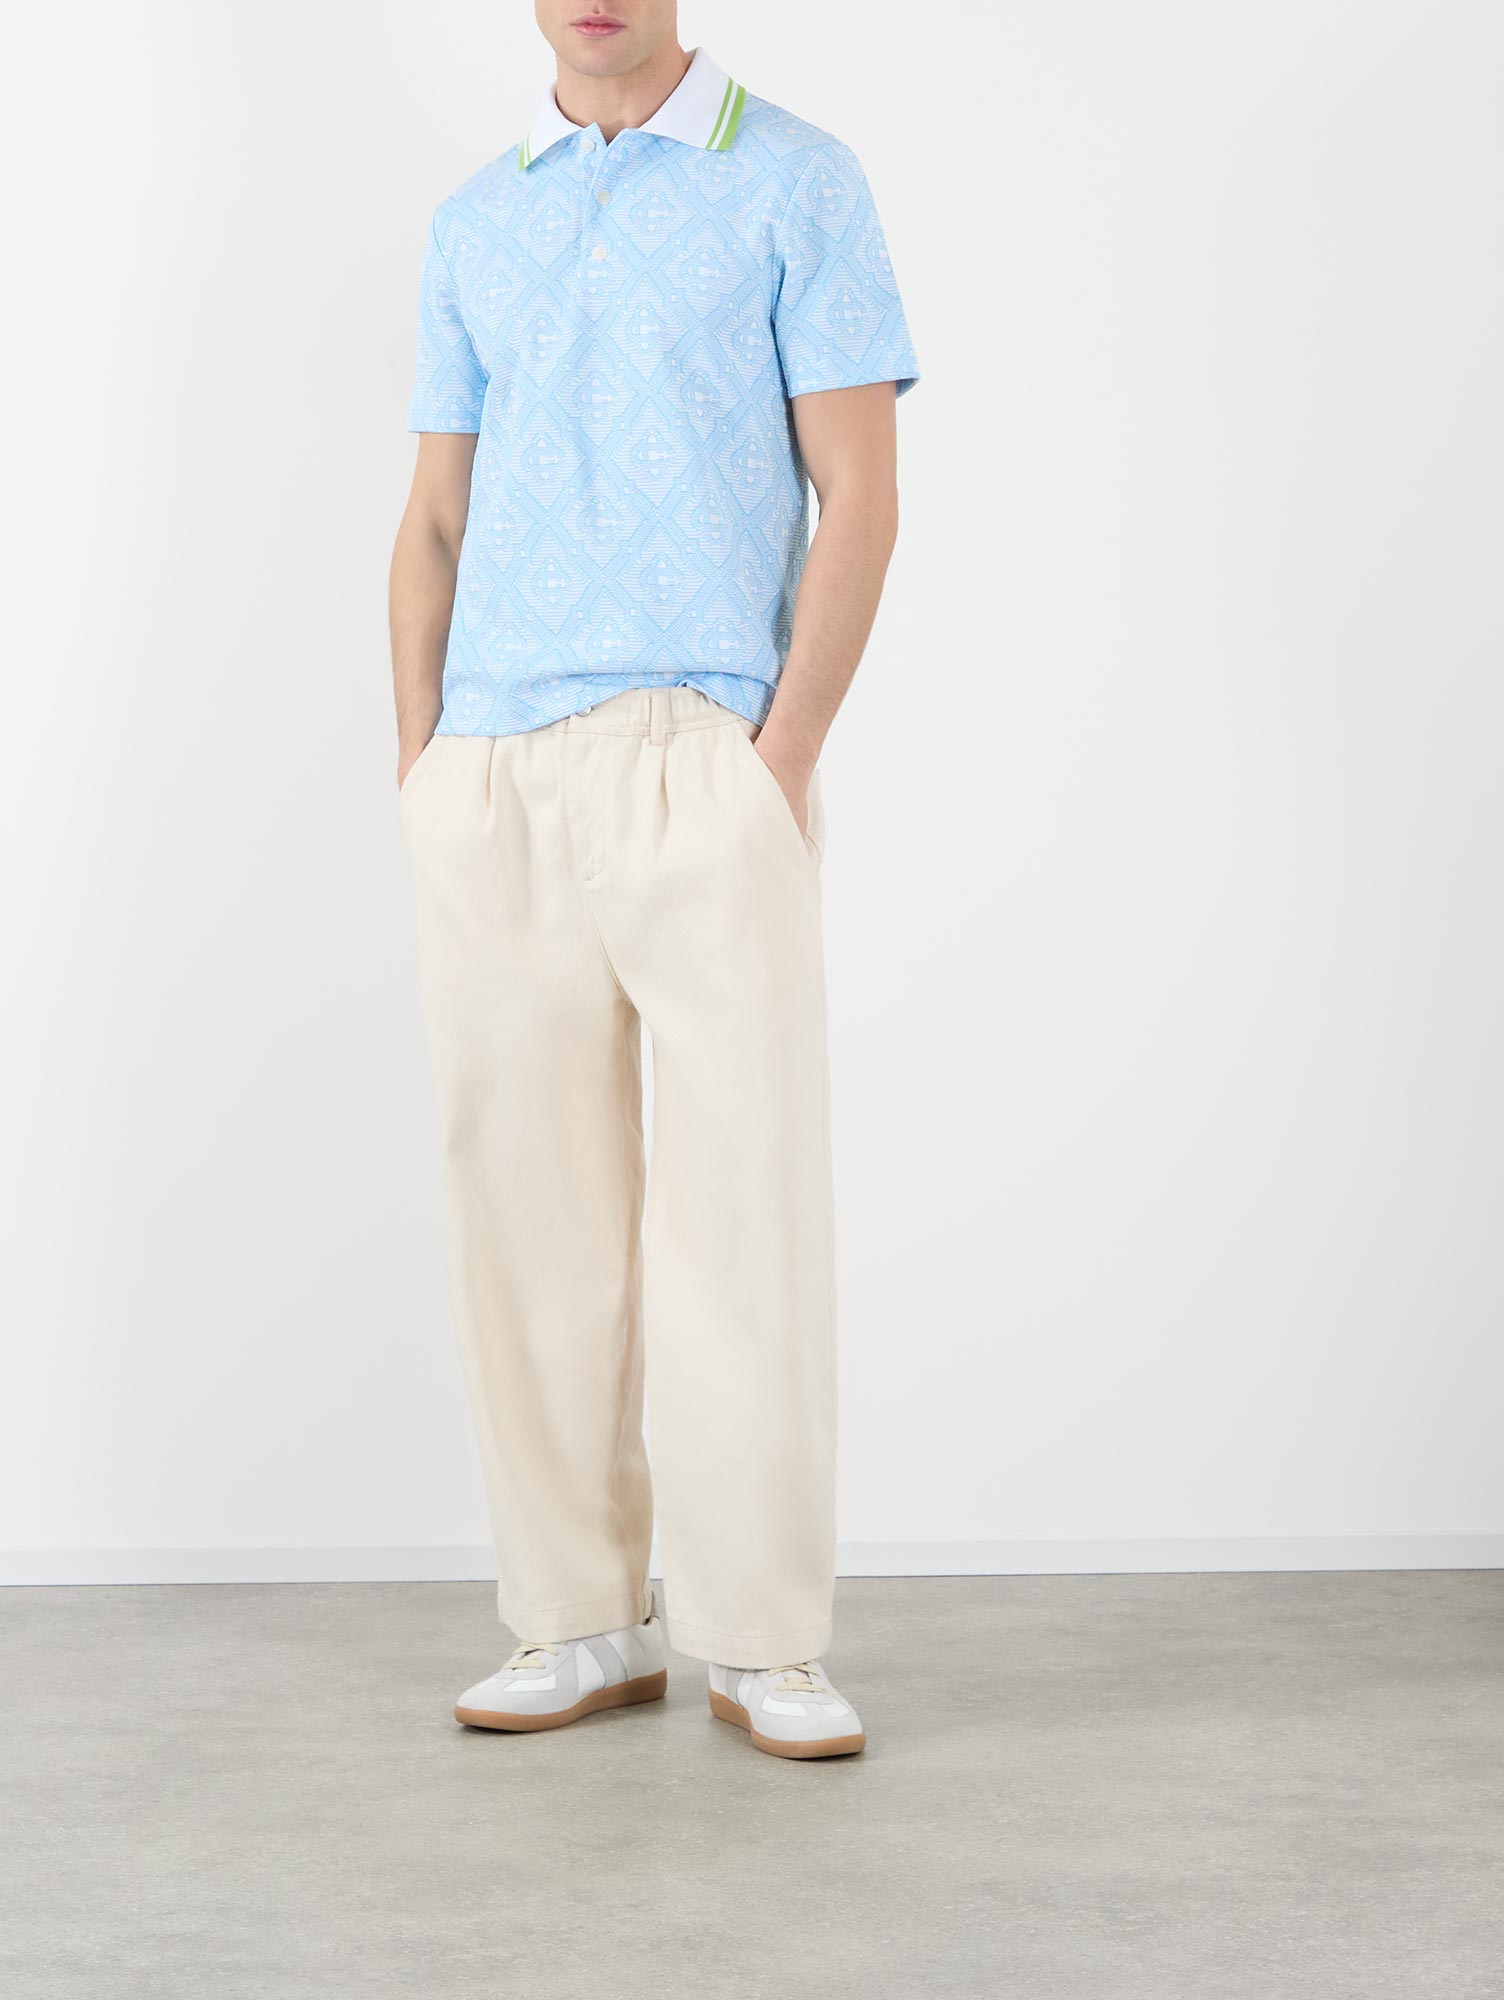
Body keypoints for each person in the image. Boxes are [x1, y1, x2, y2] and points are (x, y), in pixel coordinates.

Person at [388, 0, 916, 1758]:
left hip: (708, 749)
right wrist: (426, 765)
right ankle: (576, 1621)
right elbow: (435, 519)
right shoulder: (478, 218)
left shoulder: (798, 181)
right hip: (496, 770)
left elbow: (860, 496)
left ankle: (763, 1639)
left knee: (739, 1214)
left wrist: (779, 764)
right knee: (528, 1222)